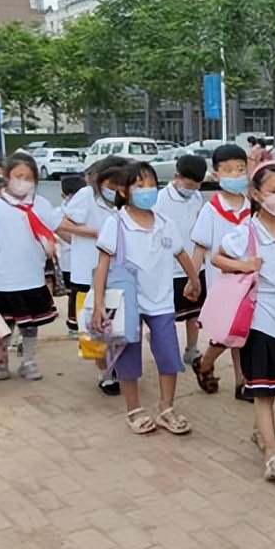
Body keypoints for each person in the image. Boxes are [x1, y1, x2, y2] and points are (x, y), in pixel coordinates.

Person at [213, 162, 275, 479]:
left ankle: (260, 433)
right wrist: (243, 265)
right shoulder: (247, 232)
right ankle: (272, 453)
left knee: (274, 385)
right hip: (258, 317)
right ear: (256, 194)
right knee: (264, 389)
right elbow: (217, 257)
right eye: (273, 191)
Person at [91, 161, 201, 436]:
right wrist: (98, 305)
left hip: (162, 301)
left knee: (168, 356)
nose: (147, 190)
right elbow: (103, 264)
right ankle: (134, 409)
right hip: (128, 302)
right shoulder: (116, 223)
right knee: (128, 357)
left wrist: (193, 278)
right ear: (125, 191)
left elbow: (181, 253)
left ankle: (166, 409)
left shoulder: (165, 223)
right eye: (140, 186)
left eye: (152, 185)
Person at [0, 154, 62, 381]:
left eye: (29, 177)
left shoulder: (41, 205)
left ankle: (28, 362)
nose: (23, 181)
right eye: (18, 176)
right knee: (3, 324)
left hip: (32, 277)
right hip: (2, 279)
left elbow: (50, 233)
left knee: (30, 325)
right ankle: (1, 363)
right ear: (7, 177)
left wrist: (52, 246)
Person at [58, 156, 128, 394]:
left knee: (119, 324)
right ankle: (106, 373)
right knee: (94, 328)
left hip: (118, 272)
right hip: (87, 271)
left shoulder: (128, 197)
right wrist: (97, 233)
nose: (114, 190)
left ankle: (118, 365)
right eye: (110, 184)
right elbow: (63, 225)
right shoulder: (87, 196)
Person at [190, 144, 253, 396]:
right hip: (221, 283)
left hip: (249, 281)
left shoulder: (253, 208)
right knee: (227, 332)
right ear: (216, 174)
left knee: (244, 332)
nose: (236, 175)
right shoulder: (211, 210)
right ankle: (205, 363)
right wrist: (193, 279)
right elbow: (200, 247)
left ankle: (242, 380)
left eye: (240, 169)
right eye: (229, 170)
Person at [155, 154, 210, 366]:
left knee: (194, 310)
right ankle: (165, 347)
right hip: (170, 266)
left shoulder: (196, 198)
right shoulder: (161, 199)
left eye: (197, 185)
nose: (193, 189)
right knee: (169, 312)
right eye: (189, 184)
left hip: (195, 262)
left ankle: (192, 348)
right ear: (177, 176)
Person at [57, 175, 86, 336]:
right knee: (73, 293)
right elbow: (59, 229)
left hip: (83, 259)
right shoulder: (60, 212)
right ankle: (73, 325)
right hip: (69, 261)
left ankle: (81, 323)